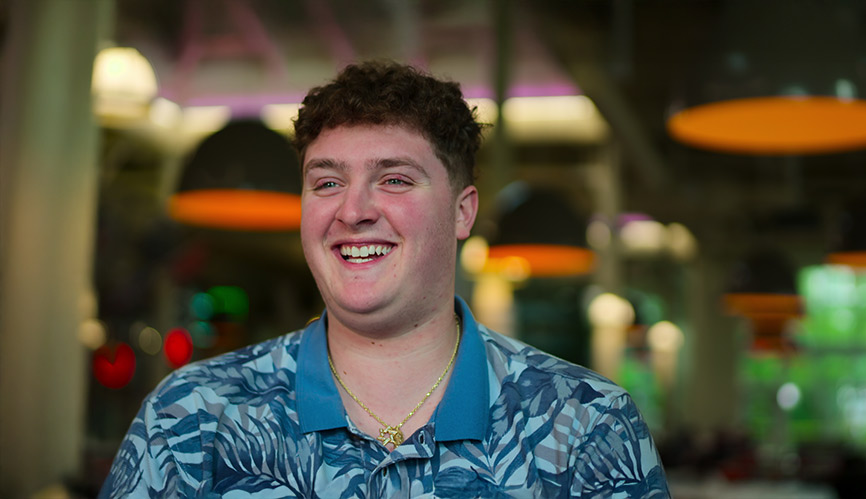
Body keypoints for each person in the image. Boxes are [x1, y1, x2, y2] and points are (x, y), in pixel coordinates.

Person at [100, 61, 670, 498]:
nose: (353, 211)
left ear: (462, 212)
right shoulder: (190, 419)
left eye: (394, 180)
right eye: (326, 183)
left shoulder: (588, 426)